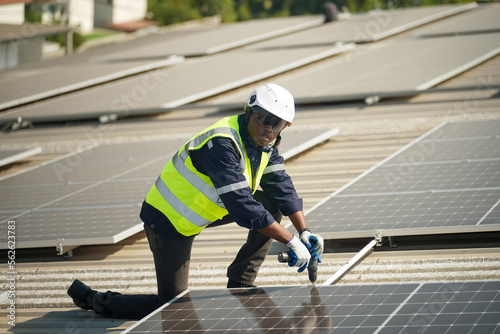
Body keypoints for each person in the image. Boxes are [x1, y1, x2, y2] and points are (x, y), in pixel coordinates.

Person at [67, 83, 324, 320]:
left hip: (204, 211)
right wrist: (289, 240)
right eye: (264, 119)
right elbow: (242, 205)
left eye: (278, 124)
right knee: (172, 306)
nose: (270, 128)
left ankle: (241, 280)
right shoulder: (221, 142)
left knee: (272, 202)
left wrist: (304, 231)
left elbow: (282, 188)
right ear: (248, 112)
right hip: (169, 221)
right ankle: (96, 300)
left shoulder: (267, 144)